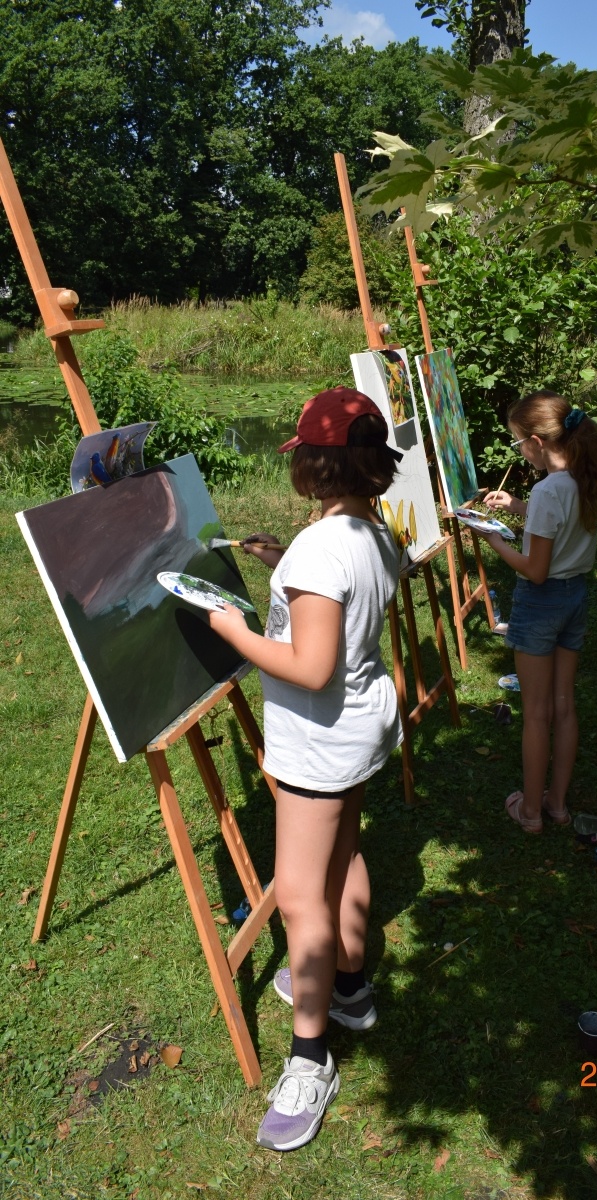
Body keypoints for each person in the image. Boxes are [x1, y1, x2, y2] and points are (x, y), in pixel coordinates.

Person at [208, 387, 403, 1152]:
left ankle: (309, 1057)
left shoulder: (323, 551)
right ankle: (350, 988)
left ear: (316, 466)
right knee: (343, 853)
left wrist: (234, 629)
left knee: (297, 897)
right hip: (357, 734)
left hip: (319, 741)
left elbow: (312, 666)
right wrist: (279, 562)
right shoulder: (362, 529)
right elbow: (335, 602)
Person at [481, 390, 597, 834]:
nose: (519, 452)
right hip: (575, 598)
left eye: (519, 443)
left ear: (537, 441)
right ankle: (556, 804)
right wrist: (519, 509)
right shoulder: (582, 477)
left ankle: (531, 812)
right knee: (563, 706)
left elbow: (535, 570)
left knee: (535, 712)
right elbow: (560, 527)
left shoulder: (547, 489)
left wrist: (497, 542)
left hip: (541, 603)